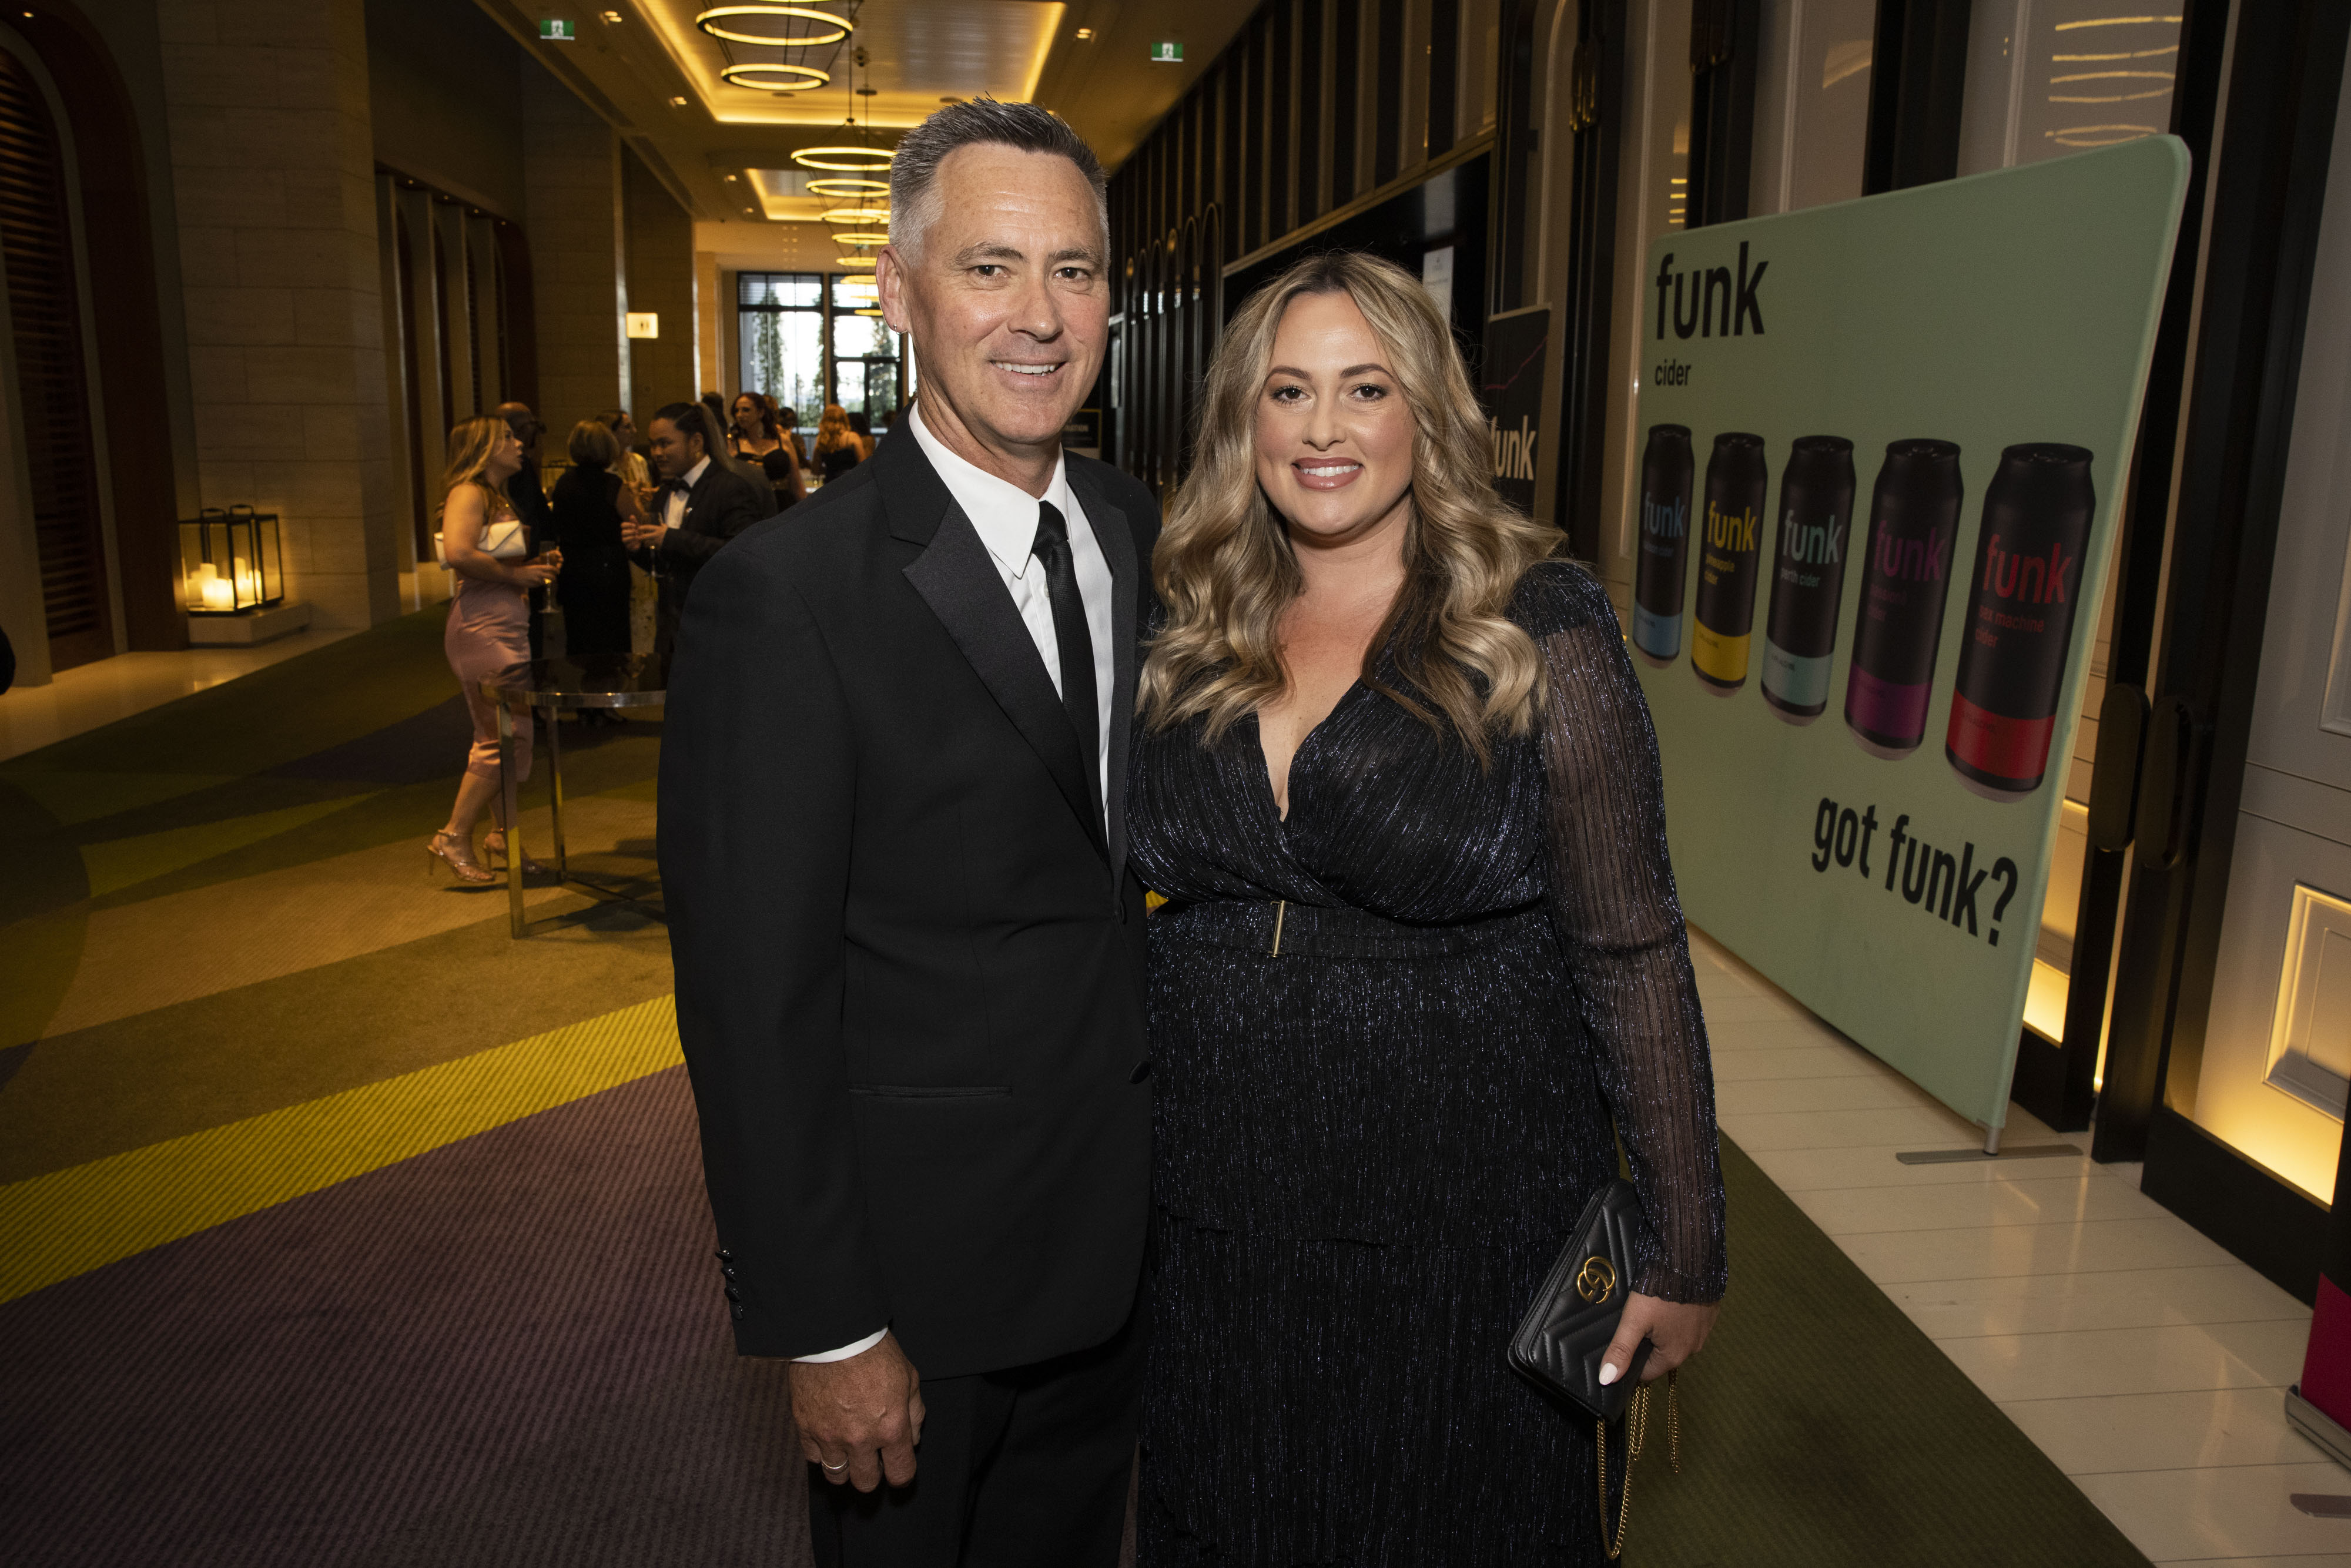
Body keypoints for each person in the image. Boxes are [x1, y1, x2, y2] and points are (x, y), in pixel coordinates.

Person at [1126, 251, 1729, 1565]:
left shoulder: (1536, 622)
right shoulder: (1185, 607)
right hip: (1217, 1205)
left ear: (1427, 410)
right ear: (1243, 416)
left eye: (1364, 388)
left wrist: (1683, 1242)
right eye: (1288, 390)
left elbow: (1629, 943)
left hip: (1468, 1216)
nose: (1322, 429)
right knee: (1228, 1509)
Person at [660, 98, 1157, 1568]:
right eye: (989, 267)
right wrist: (826, 1324)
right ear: (898, 291)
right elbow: (752, 1002)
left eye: (1072, 271)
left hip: (1118, 1250)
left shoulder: (1134, 529)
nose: (1037, 315)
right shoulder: (785, 597)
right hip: (918, 1292)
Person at [430, 415, 561, 884]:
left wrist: (533, 565)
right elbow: (460, 554)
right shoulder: (469, 492)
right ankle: (453, 835)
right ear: (484, 447)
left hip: (503, 626)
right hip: (481, 629)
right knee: (504, 736)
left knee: (509, 734)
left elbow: (489, 556)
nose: (519, 443)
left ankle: (504, 836)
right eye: (506, 437)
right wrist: (516, 575)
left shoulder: (493, 496)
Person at [621, 401, 768, 663]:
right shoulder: (664, 492)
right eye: (653, 445)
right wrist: (638, 549)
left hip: (718, 631)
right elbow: (666, 566)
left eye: (665, 444)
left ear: (696, 442)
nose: (657, 453)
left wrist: (670, 538)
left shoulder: (730, 488)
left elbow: (743, 556)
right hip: (671, 634)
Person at [551, 418, 641, 666]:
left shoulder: (563, 483)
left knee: (579, 636)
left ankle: (584, 684)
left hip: (573, 567)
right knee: (612, 637)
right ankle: (612, 682)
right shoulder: (613, 485)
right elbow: (636, 520)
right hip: (607, 568)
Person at [729, 390, 806, 512]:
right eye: (736, 411)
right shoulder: (733, 444)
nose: (740, 415)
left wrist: (807, 512)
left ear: (760, 412)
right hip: (748, 507)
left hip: (782, 506)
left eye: (746, 410)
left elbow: (797, 485)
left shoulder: (782, 441)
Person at [812, 401, 862, 483]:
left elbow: (815, 470)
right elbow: (863, 465)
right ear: (844, 419)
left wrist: (830, 471)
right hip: (850, 483)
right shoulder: (852, 438)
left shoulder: (821, 441)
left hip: (830, 484)